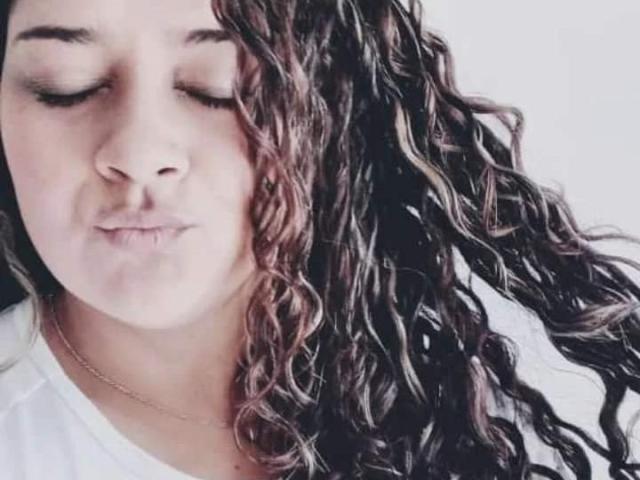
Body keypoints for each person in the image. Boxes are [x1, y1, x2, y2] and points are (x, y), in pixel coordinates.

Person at [0, 0, 638, 479]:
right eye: (67, 84)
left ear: (329, 103)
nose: (139, 153)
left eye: (219, 86)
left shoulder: (488, 407)